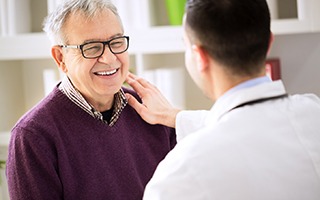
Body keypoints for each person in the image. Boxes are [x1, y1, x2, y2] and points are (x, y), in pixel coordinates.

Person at [125, 0, 320, 199]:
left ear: (199, 56)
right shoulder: (313, 113)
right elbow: (250, 125)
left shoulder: (179, 174)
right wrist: (176, 117)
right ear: (269, 42)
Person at [6, 0, 176, 199]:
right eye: (92, 47)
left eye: (117, 42)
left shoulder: (154, 111)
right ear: (61, 58)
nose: (109, 58)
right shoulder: (32, 136)